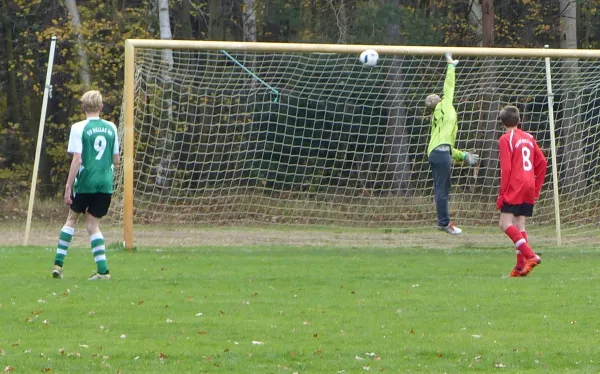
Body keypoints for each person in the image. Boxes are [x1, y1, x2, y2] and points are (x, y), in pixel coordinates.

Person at [52, 90, 119, 280]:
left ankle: (58, 264)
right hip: (105, 182)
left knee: (71, 219)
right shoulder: (112, 128)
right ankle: (103, 271)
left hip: (85, 181)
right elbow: (115, 157)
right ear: (101, 107)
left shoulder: (78, 127)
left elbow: (77, 159)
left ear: (82, 107)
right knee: (93, 225)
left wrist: (68, 187)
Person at [425, 52, 479, 235]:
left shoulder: (437, 121)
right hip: (439, 155)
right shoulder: (445, 105)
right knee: (442, 190)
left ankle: (444, 221)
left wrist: (464, 156)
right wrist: (451, 65)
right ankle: (444, 223)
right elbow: (449, 85)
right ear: (438, 102)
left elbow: (446, 148)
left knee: (442, 189)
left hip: (436, 154)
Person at [496, 105, 547, 277]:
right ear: (519, 120)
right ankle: (519, 267)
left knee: (504, 224)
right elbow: (543, 162)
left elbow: (506, 169)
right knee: (519, 224)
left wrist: (503, 194)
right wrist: (536, 187)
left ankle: (530, 255)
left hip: (515, 184)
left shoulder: (505, 139)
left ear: (502, 123)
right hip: (528, 184)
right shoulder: (529, 137)